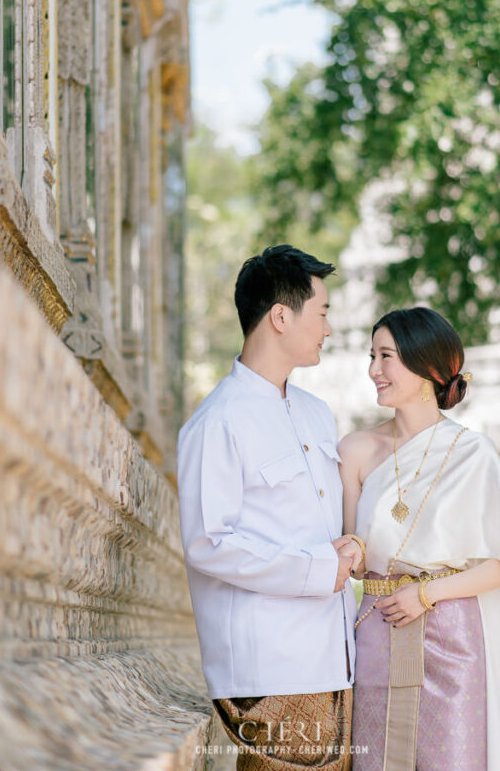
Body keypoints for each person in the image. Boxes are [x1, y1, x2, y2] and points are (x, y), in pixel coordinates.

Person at [178, 245, 362, 771]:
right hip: (271, 674)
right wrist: (318, 568)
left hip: (335, 663)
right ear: (281, 316)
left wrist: (350, 546)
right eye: (322, 312)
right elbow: (207, 544)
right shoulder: (217, 423)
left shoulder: (316, 414)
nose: (328, 328)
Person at [340, 307, 500, 771]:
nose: (373, 370)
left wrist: (427, 593)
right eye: (372, 356)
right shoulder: (355, 449)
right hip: (378, 626)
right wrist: (351, 550)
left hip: (452, 638)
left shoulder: (474, 453)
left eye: (385, 356)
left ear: (426, 366)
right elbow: (350, 550)